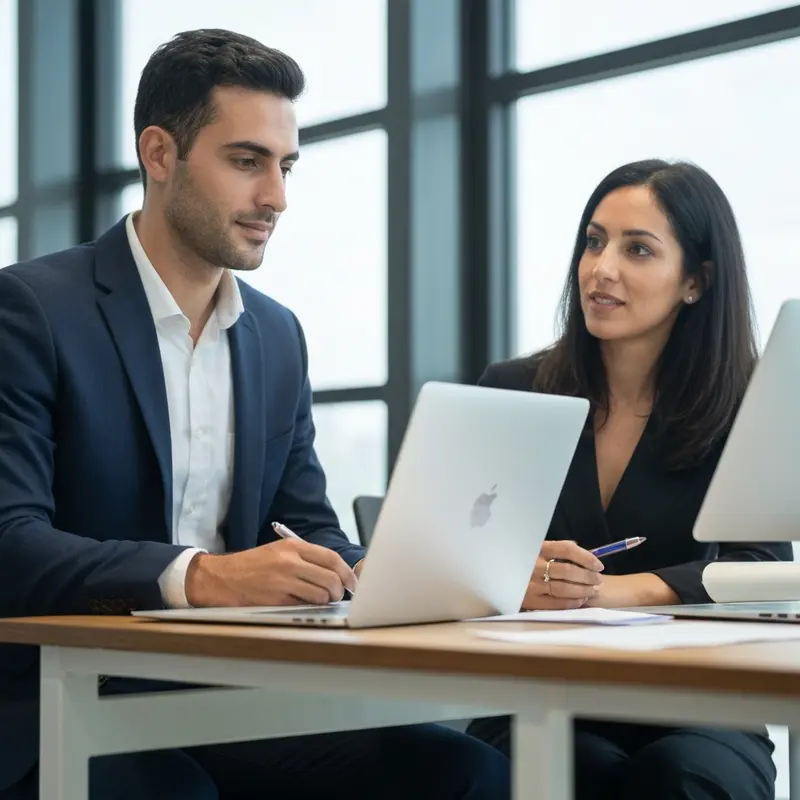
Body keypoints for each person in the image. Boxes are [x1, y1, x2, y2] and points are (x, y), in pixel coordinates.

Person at [0, 29, 510, 800]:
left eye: (286, 165)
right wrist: (198, 578)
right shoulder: (33, 309)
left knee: (463, 770)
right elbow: (12, 544)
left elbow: (306, 525)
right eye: (247, 162)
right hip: (59, 697)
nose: (276, 196)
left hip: (230, 694)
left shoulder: (275, 335)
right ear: (160, 154)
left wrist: (394, 571)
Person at [467, 159, 791, 800]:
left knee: (680, 779)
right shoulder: (513, 391)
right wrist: (515, 575)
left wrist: (614, 594)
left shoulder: (747, 404)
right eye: (594, 241)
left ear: (695, 282)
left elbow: (761, 570)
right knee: (576, 768)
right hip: (538, 692)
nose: (601, 269)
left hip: (702, 705)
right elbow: (452, 555)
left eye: (637, 249)